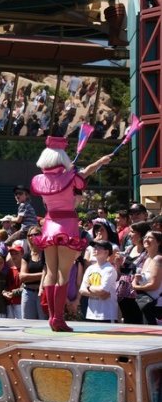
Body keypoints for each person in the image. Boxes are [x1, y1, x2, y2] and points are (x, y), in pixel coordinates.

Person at [31, 136, 112, 331]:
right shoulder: (71, 176)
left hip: (49, 224)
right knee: (63, 273)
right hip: (66, 224)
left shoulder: (40, 179)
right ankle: (58, 318)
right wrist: (101, 161)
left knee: (50, 272)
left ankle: (52, 317)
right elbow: (87, 172)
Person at [79, 240, 119, 323]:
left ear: (106, 252)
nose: (95, 249)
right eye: (94, 247)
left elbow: (103, 290)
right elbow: (82, 290)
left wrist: (89, 287)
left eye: (99, 247)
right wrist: (98, 294)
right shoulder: (90, 268)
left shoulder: (110, 269)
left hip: (107, 315)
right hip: (91, 313)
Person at [131, 230, 162, 325]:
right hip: (147, 305)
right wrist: (137, 280)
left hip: (157, 307)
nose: (146, 239)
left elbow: (154, 285)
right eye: (145, 237)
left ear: (159, 242)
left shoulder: (159, 259)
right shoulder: (148, 259)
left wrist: (136, 287)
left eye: (150, 237)